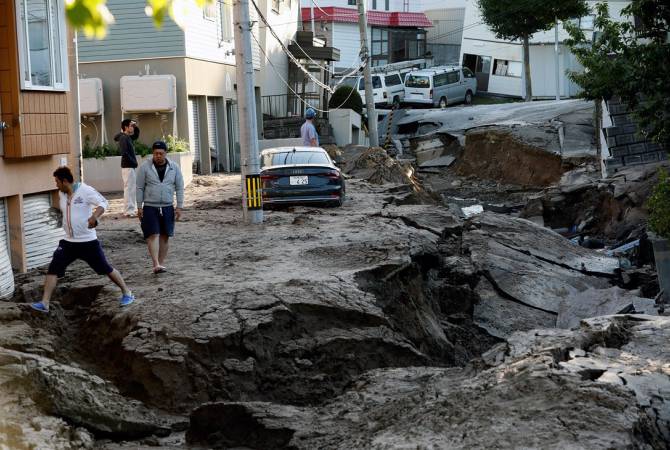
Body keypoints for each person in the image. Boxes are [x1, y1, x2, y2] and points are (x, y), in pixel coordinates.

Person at [30, 167, 135, 313]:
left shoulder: (85, 190)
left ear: (65, 181)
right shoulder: (62, 194)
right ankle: (45, 303)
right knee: (53, 268)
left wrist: (94, 217)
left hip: (87, 242)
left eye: (57, 182)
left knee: (105, 268)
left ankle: (127, 292)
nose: (56, 185)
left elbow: (103, 203)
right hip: (68, 243)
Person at [136, 141, 184, 274]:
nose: (158, 156)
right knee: (153, 234)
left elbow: (180, 187)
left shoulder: (174, 167)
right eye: (156, 153)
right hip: (150, 206)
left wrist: (179, 207)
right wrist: (139, 206)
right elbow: (139, 187)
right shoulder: (145, 167)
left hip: (168, 206)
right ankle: (155, 263)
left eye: (161, 153)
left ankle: (161, 264)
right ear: (153, 153)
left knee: (165, 236)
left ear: (165, 153)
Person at [114, 119, 140, 217]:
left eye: (133, 126)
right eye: (131, 126)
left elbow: (136, 135)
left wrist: (135, 126)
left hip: (129, 166)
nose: (132, 127)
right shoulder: (124, 138)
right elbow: (124, 152)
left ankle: (130, 210)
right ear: (125, 127)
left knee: (131, 188)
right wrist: (134, 162)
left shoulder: (126, 137)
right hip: (128, 166)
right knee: (129, 189)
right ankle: (129, 211)